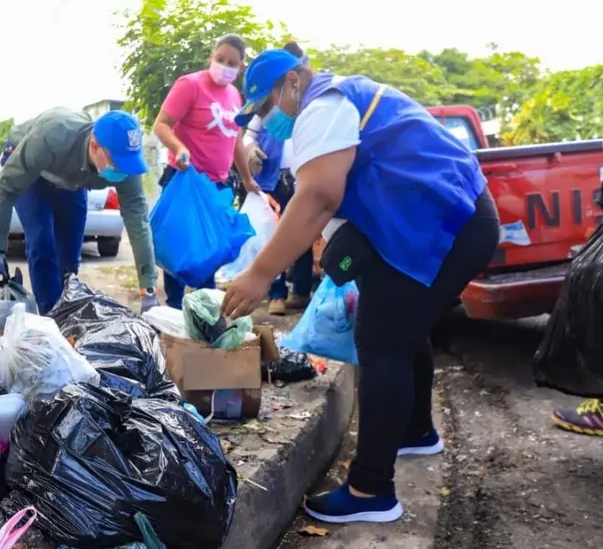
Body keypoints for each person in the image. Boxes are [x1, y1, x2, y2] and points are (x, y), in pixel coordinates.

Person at [222, 49, 500, 524]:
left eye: (267, 107)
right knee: (402, 328)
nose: (269, 120)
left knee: (381, 341)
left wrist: (259, 274)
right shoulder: (340, 96)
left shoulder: (323, 107)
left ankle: (372, 490)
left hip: (446, 227)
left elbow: (318, 197)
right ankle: (415, 431)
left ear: (292, 82)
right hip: (450, 221)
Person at [0, 108, 159, 315]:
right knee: (42, 244)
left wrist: (148, 290)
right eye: (116, 164)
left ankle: (67, 313)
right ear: (94, 147)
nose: (122, 171)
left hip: (72, 181)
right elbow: (4, 190)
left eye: (126, 165)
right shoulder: (50, 137)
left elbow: (138, 220)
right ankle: (52, 318)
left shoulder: (125, 162)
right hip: (34, 173)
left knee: (69, 257)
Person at [152, 34, 259, 309]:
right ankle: (174, 311)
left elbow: (235, 140)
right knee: (178, 250)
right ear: (211, 56)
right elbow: (162, 124)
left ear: (241, 67)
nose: (224, 65)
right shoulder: (190, 85)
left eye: (232, 62)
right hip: (186, 180)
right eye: (220, 59)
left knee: (210, 252)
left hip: (217, 187)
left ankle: (205, 312)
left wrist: (247, 179)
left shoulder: (235, 95)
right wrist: (179, 148)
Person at [243, 41, 313, 316]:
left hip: (304, 179)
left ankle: (301, 291)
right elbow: (248, 132)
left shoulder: (313, 107)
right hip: (274, 178)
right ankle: (276, 293)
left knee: (303, 233)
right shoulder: (272, 104)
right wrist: (250, 149)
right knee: (274, 236)